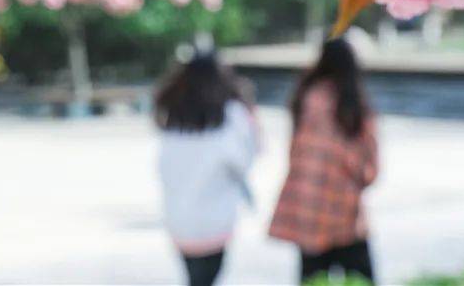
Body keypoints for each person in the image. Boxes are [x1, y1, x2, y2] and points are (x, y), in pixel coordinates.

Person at [268, 38, 378, 285]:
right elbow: (369, 169)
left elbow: (295, 152)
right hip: (344, 210)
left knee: (312, 279)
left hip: (307, 209)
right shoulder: (353, 103)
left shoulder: (305, 97)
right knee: (361, 279)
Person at [154, 49, 259, 286]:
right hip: (215, 220)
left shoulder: (174, 114)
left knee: (195, 278)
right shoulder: (230, 114)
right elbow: (242, 161)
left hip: (179, 218)